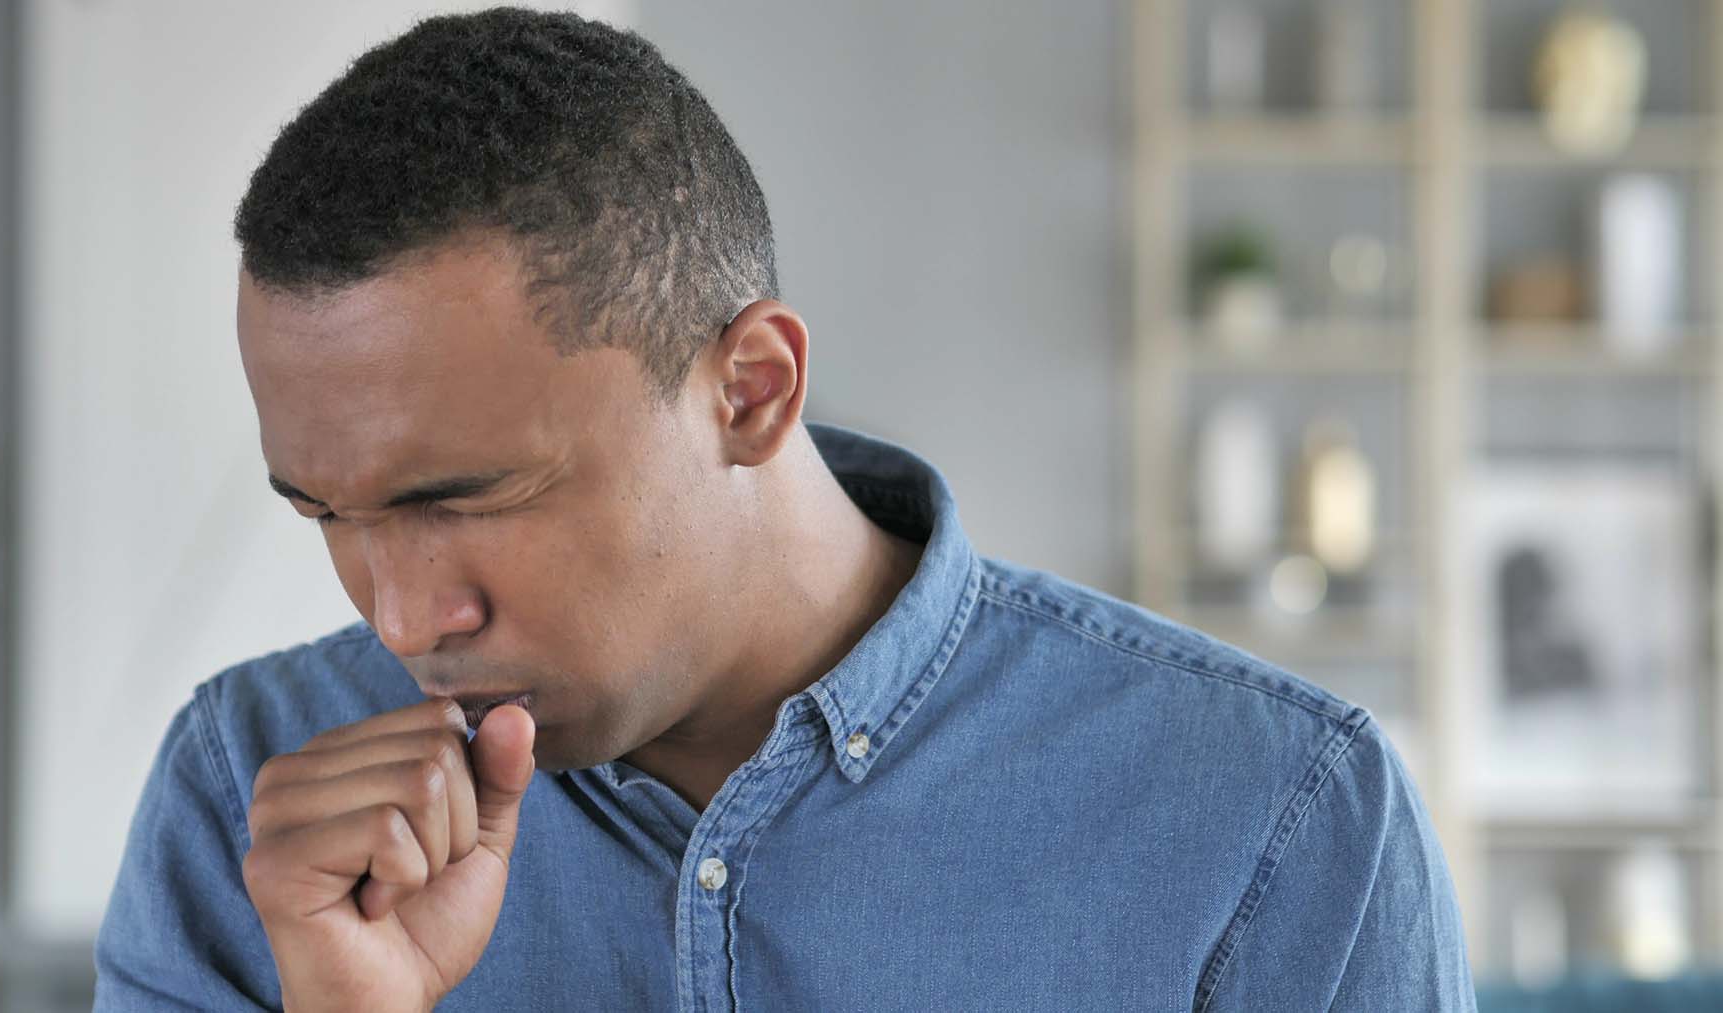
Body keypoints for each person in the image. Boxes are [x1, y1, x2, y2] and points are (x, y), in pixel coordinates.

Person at [94, 8, 1476, 1010]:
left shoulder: (1275, 821)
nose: (404, 617)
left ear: (750, 388)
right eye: (325, 512)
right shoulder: (246, 795)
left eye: (466, 499)